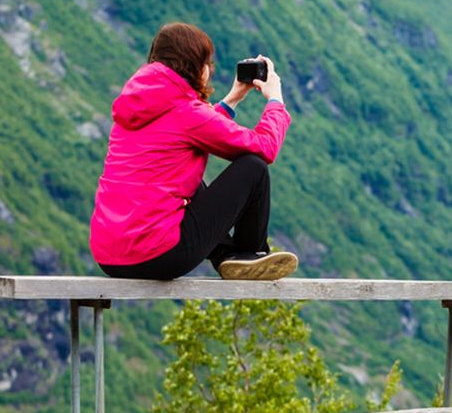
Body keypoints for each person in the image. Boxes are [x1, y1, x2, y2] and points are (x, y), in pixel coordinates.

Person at [89, 22, 297, 280]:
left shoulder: (134, 107)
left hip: (108, 256)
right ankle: (247, 256)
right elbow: (265, 147)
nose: (209, 70)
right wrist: (275, 99)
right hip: (157, 256)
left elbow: (189, 131)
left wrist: (232, 99)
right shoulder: (187, 114)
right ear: (195, 65)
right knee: (253, 167)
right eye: (207, 63)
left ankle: (225, 256)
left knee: (186, 169)